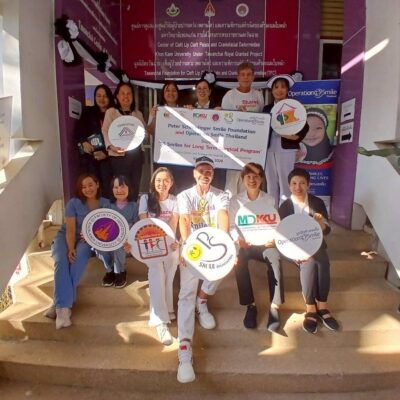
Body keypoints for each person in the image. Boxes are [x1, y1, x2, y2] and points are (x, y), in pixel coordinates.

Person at [176, 156, 229, 383]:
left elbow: (223, 216)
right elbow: (184, 220)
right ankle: (184, 351)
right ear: (194, 173)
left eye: (209, 171)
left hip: (214, 244)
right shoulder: (184, 195)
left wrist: (225, 246)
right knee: (185, 294)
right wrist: (187, 246)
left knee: (227, 264)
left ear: (213, 174)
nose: (205, 175)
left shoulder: (221, 194)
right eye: (201, 171)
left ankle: (203, 301)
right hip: (193, 246)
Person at [278, 168, 339, 334]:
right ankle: (311, 307)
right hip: (292, 248)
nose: (298, 187)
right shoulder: (285, 207)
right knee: (309, 261)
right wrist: (295, 255)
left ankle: (323, 306)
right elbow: (281, 235)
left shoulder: (317, 202)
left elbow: (327, 230)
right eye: (294, 183)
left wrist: (321, 224)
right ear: (289, 186)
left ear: (308, 185)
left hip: (315, 245)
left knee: (323, 261)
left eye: (302, 183)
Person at [48, 173, 109, 329]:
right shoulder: (73, 203)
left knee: (79, 258)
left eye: (90, 185)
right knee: (62, 261)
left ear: (97, 184)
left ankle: (59, 304)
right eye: (83, 187)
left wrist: (92, 236)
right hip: (66, 236)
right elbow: (70, 229)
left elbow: (107, 227)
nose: (87, 189)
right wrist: (70, 248)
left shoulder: (105, 203)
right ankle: (63, 310)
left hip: (88, 239)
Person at [229, 163, 284, 332]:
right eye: (249, 177)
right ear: (243, 179)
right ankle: (250, 306)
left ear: (261, 179)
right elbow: (231, 226)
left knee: (275, 259)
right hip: (246, 244)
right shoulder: (235, 201)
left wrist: (274, 239)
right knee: (238, 262)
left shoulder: (269, 199)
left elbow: (276, 224)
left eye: (256, 177)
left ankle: (274, 307)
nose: (252, 180)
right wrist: (238, 240)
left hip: (265, 244)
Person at [138, 167, 179, 346]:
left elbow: (174, 224)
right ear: (153, 182)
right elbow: (144, 224)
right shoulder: (145, 199)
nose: (162, 184)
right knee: (157, 272)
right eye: (158, 180)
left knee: (171, 269)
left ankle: (168, 308)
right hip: (150, 242)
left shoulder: (175, 200)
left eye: (166, 180)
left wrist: (171, 241)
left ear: (171, 183)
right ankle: (159, 320)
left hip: (169, 241)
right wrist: (157, 243)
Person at [263, 74, 309, 208]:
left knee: (285, 181)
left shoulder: (293, 106)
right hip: (268, 149)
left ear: (287, 90)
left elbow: (304, 127)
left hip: (287, 149)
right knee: (271, 181)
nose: (279, 90)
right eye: (276, 87)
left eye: (283, 87)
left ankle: (286, 211)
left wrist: (294, 137)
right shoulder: (267, 109)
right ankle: (272, 211)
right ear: (272, 91)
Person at [221, 62, 265, 196]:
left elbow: (261, 119)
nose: (246, 77)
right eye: (243, 74)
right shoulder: (230, 95)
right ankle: (229, 205)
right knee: (232, 179)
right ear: (238, 77)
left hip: (252, 145)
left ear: (253, 77)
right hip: (234, 144)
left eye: (249, 74)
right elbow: (224, 120)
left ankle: (248, 203)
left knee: (249, 176)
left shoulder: (258, 95)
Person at [102, 82, 146, 201]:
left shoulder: (138, 114)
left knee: (134, 185)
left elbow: (144, 133)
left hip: (136, 156)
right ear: (117, 96)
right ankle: (119, 211)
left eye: (129, 93)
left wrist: (141, 135)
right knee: (120, 185)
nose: (126, 96)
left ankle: (132, 209)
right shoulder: (111, 112)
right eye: (122, 93)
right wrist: (111, 147)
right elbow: (105, 130)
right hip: (118, 155)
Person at [97, 175, 138, 289]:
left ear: (129, 188)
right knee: (99, 247)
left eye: (122, 186)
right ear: (112, 190)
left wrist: (129, 240)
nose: (119, 190)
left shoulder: (134, 206)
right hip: (108, 240)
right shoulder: (107, 206)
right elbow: (100, 224)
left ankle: (120, 272)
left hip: (126, 243)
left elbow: (137, 227)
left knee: (119, 244)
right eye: (116, 187)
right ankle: (109, 271)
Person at [185, 78, 225, 190]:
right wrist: (186, 113)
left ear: (209, 91)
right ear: (196, 91)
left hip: (213, 153)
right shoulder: (189, 109)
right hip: (195, 152)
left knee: (215, 186)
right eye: (199, 88)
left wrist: (222, 115)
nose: (202, 91)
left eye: (205, 88)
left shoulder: (219, 109)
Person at [75, 84, 114, 198]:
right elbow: (78, 131)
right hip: (91, 159)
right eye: (98, 96)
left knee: (108, 189)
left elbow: (119, 139)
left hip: (109, 158)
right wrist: (84, 142)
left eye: (105, 96)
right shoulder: (88, 112)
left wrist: (106, 153)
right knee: (92, 189)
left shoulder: (114, 113)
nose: (102, 99)